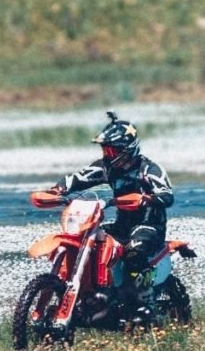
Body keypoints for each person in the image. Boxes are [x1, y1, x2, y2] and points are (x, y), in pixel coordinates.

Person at [50, 111, 174, 321]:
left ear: (126, 149)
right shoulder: (107, 167)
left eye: (110, 150)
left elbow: (167, 195)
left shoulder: (148, 169)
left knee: (134, 251)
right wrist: (57, 190)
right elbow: (78, 179)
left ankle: (146, 301)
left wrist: (146, 199)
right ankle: (98, 295)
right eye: (104, 149)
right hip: (122, 224)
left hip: (149, 225)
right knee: (89, 241)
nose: (107, 154)